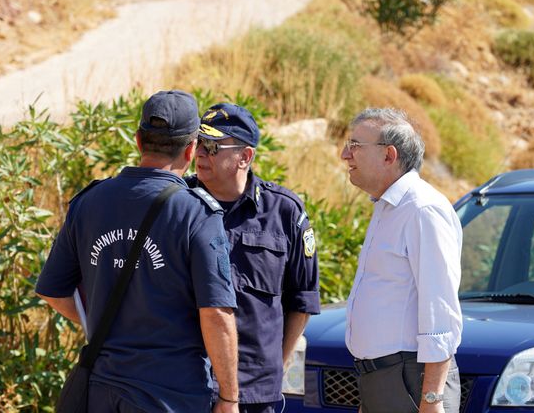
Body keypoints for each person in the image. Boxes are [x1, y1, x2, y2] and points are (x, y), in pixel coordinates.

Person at [35, 90, 240, 413]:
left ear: (138, 140)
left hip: (101, 390)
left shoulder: (89, 202)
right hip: (171, 396)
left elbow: (53, 292)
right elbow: (215, 313)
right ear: (190, 149)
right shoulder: (196, 214)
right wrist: (229, 398)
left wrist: (105, 323)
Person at [185, 103, 320, 413]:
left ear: (245, 156)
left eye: (213, 146)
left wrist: (276, 364)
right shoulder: (180, 203)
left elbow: (302, 299)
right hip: (187, 384)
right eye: (199, 144)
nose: (201, 153)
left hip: (255, 392)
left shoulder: (284, 212)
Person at [341, 108, 462, 413]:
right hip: (385, 379)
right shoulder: (388, 206)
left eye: (355, 145)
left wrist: (432, 399)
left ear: (388, 155)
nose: (345, 154)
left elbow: (441, 310)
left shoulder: (422, 209)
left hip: (412, 379)